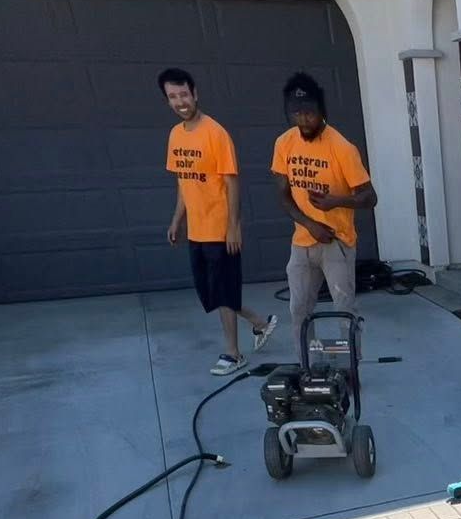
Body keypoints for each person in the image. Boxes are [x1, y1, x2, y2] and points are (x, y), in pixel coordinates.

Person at [159, 66, 276, 375]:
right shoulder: (174, 135)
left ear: (195, 93)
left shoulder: (216, 133)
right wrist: (176, 220)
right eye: (173, 97)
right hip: (196, 229)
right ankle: (260, 323)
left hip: (220, 229)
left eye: (184, 94)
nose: (180, 101)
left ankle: (233, 353)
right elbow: (184, 182)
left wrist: (233, 226)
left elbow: (232, 183)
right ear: (167, 101)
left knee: (223, 291)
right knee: (210, 293)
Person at [271, 72, 377, 357]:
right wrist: (309, 224)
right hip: (302, 243)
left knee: (344, 309)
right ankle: (310, 364)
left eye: (310, 113)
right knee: (299, 309)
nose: (304, 119)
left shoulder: (342, 148)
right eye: (297, 113)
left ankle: (350, 365)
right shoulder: (284, 143)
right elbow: (282, 194)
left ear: (322, 111)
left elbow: (370, 197)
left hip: (337, 243)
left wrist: (336, 201)